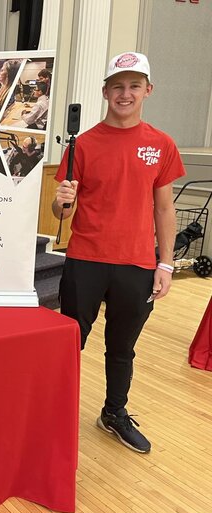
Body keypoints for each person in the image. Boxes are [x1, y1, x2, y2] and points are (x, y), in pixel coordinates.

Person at [53, 52, 185, 453]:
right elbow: (62, 211)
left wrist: (166, 262)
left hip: (137, 264)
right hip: (86, 260)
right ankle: (54, 415)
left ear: (147, 90)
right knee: (69, 344)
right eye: (117, 86)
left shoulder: (160, 144)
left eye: (133, 86)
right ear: (105, 92)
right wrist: (62, 201)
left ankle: (114, 412)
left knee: (122, 348)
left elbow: (163, 207)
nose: (124, 94)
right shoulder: (83, 145)